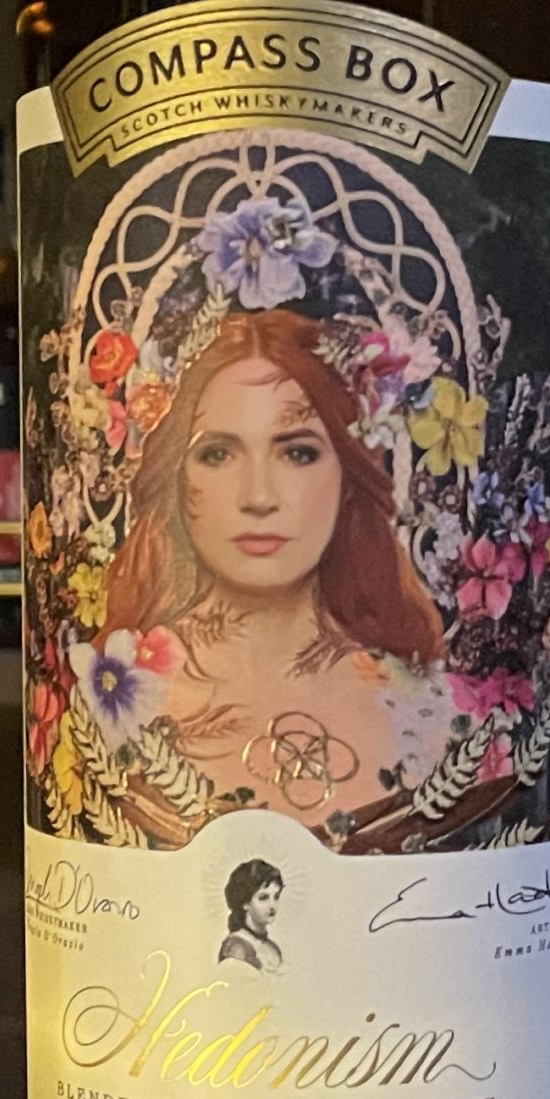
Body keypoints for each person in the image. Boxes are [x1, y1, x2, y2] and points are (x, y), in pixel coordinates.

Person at [104, 310, 452, 829]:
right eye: (218, 454)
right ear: (174, 476)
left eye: (298, 453)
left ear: (348, 475)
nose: (259, 497)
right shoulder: (117, 695)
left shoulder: (418, 708)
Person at [218, 859, 284, 972]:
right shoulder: (236, 948)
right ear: (245, 903)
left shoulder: (273, 948)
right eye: (263, 898)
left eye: (276, 897)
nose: (272, 905)